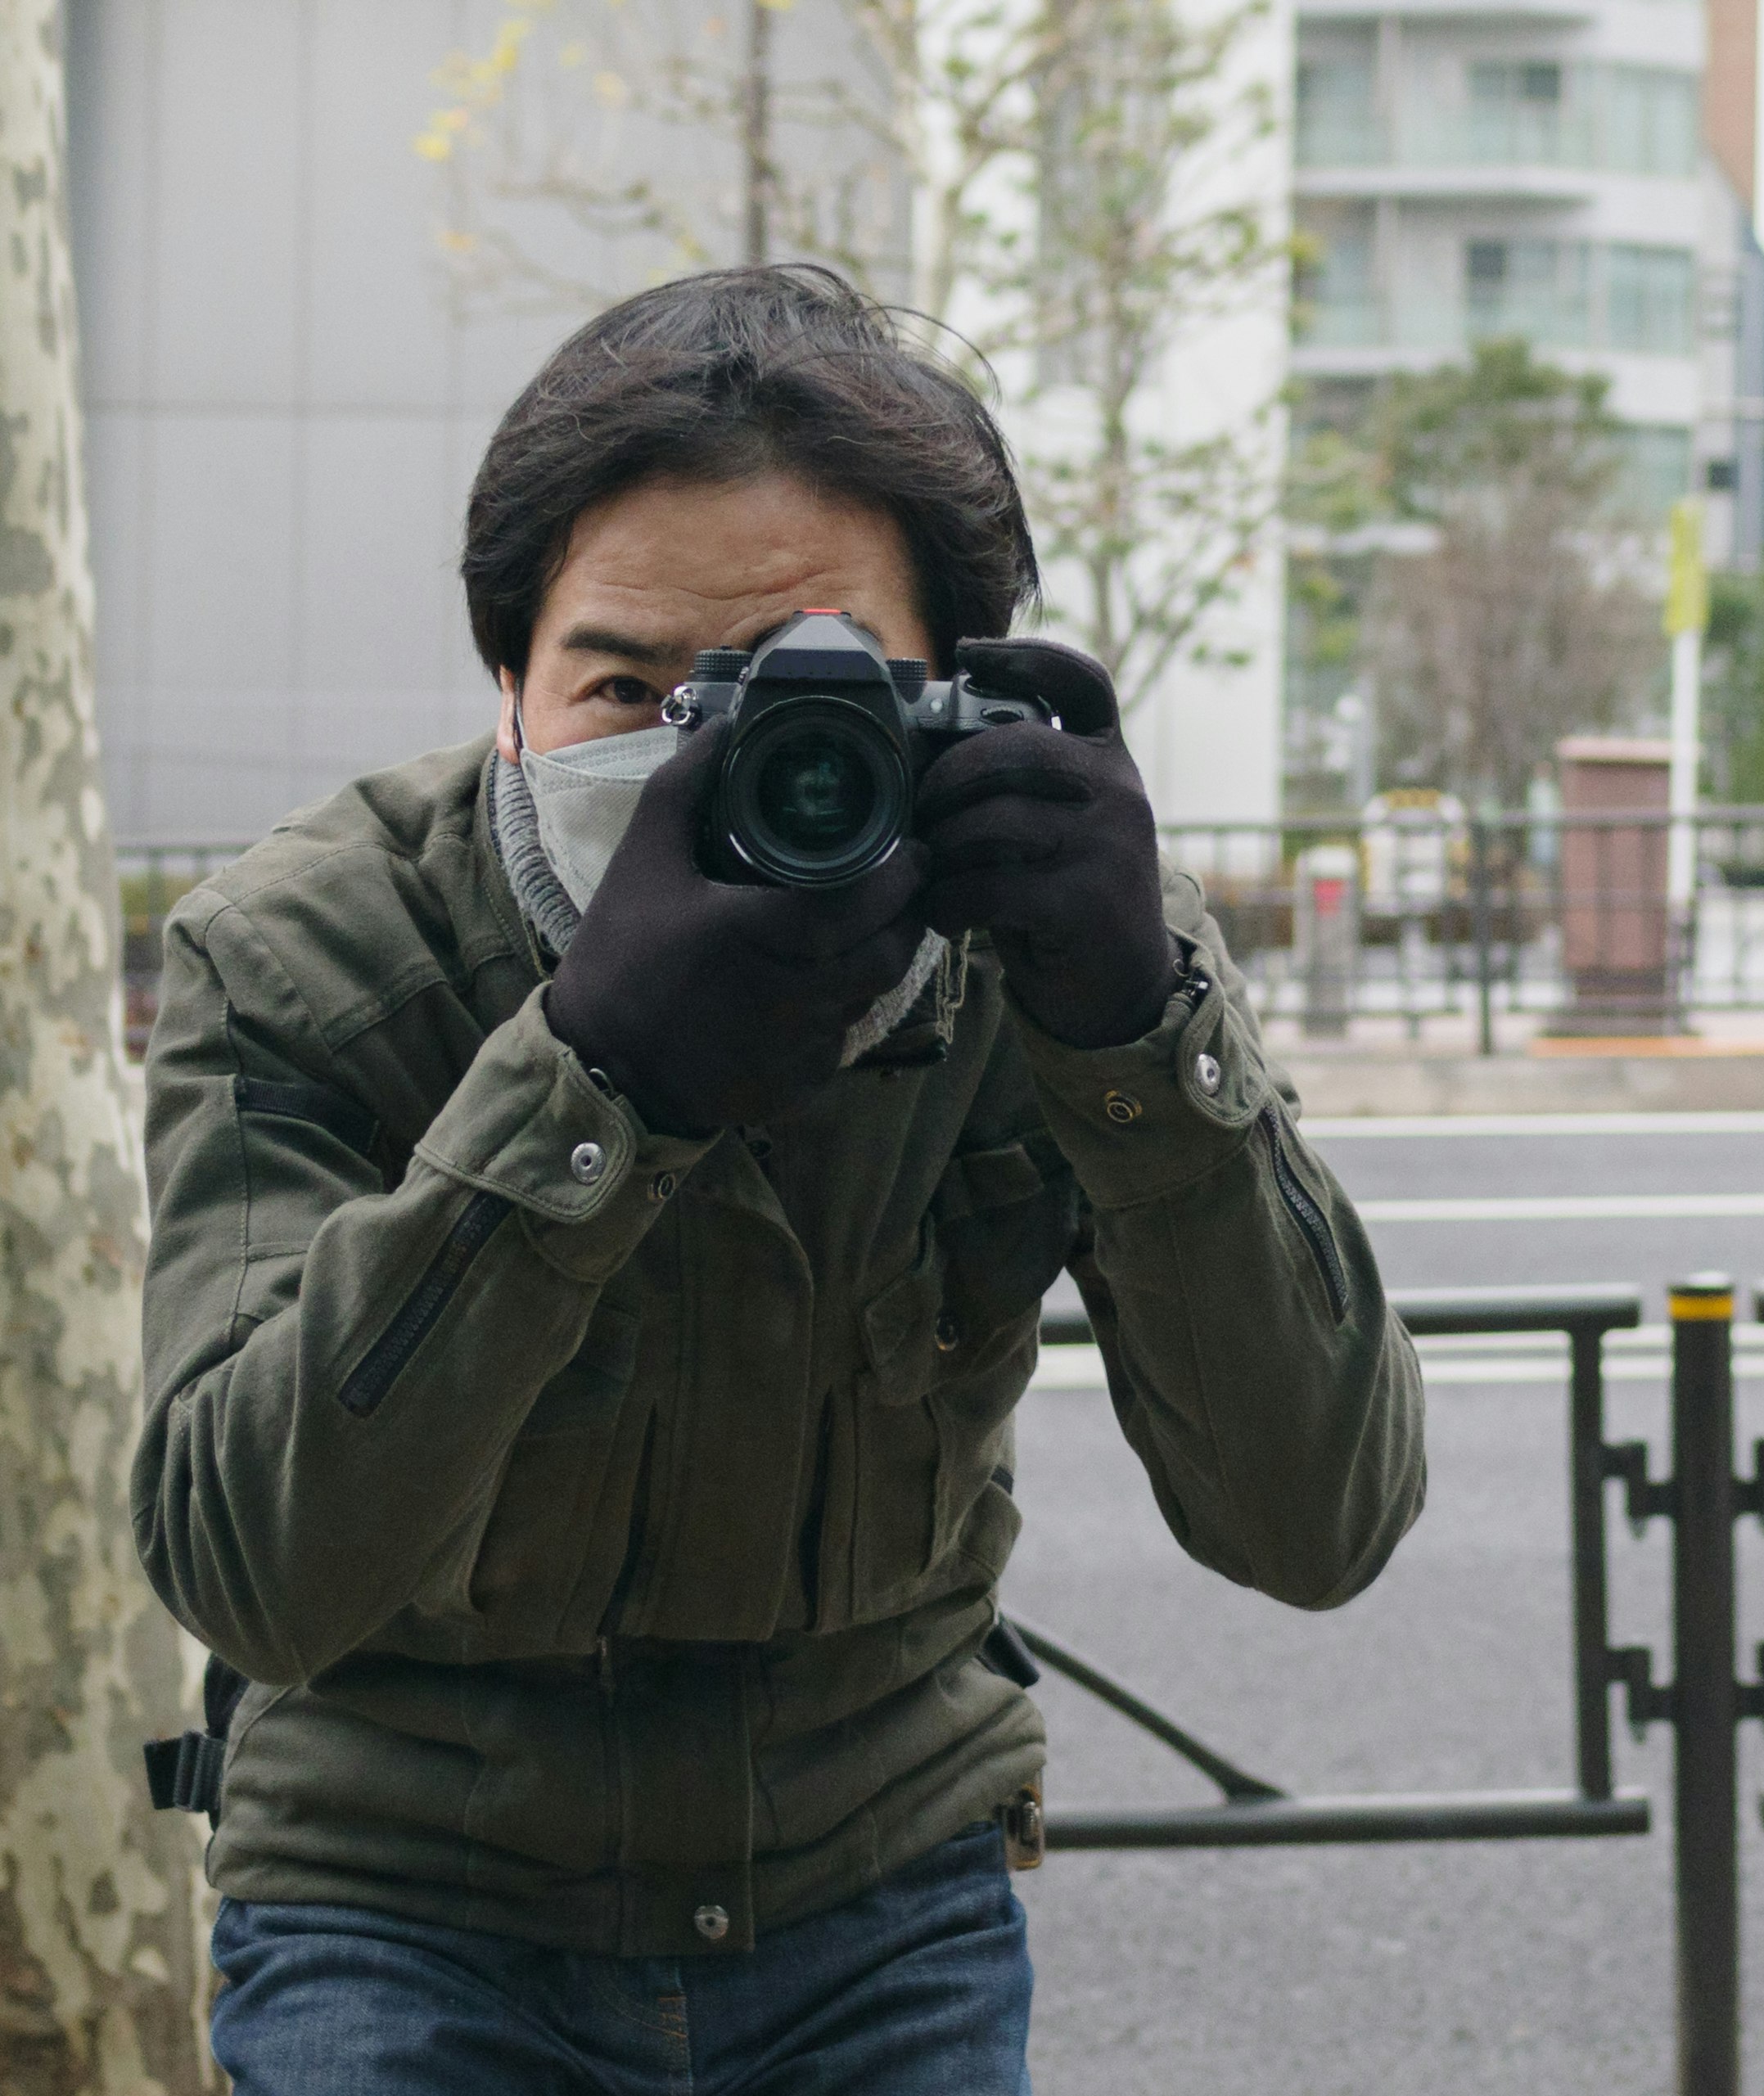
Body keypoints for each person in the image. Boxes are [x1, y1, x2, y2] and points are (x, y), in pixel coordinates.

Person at [130, 264, 1425, 2094]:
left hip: (872, 1891)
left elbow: (1319, 1522)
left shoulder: (1049, 949)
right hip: (398, 1897)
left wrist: (1142, 1037)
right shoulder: (314, 952)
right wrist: (593, 1081)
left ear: (956, 691)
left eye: (800, 695)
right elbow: (245, 1569)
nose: (713, 760)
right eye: (628, 691)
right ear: (508, 689)